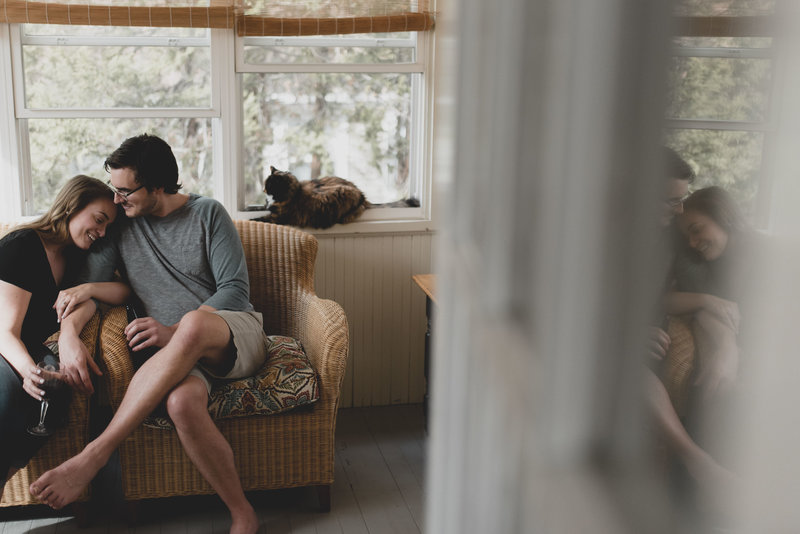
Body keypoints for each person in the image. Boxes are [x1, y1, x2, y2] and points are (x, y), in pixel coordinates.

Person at [30, 134, 266, 534]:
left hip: (231, 333)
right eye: (115, 190)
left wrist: (175, 330)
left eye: (125, 192)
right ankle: (243, 513)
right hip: (179, 357)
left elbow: (234, 289)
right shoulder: (121, 227)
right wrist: (69, 332)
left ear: (157, 186)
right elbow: (92, 293)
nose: (116, 201)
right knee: (181, 404)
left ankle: (96, 454)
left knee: (192, 325)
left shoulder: (208, 213)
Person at [0, 175, 124, 500]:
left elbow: (123, 292)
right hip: (5, 343)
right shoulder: (22, 245)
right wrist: (29, 372)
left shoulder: (75, 257)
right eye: (99, 220)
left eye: (108, 226)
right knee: (12, 395)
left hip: (26, 347)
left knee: (55, 396)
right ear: (73, 205)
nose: (102, 232)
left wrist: (88, 289)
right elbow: (5, 331)